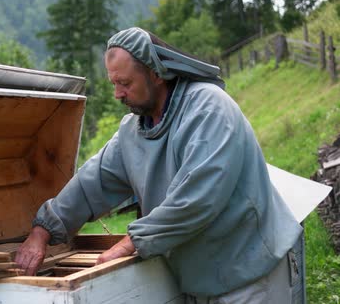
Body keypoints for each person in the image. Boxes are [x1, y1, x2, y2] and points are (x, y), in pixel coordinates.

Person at [15, 27, 302, 303]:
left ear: (156, 73)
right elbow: (94, 182)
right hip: (202, 278)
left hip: (252, 274)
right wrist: (43, 231)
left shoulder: (208, 108)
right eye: (113, 83)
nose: (117, 94)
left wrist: (130, 243)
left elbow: (197, 199)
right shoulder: (134, 130)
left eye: (125, 83)